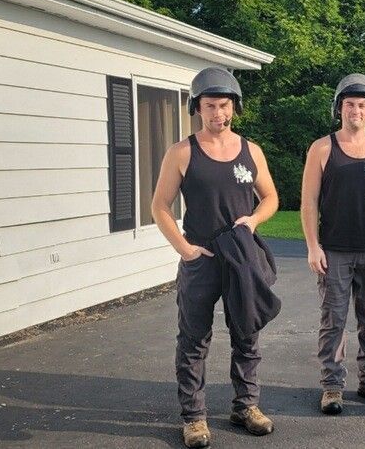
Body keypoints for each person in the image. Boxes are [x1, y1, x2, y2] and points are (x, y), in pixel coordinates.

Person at [151, 67, 280, 448]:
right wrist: (185, 249)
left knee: (247, 335)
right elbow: (159, 206)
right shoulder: (182, 152)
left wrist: (254, 219)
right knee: (193, 339)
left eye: (224, 105)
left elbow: (271, 197)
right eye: (210, 106)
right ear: (197, 108)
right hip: (202, 258)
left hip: (242, 258)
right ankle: (194, 418)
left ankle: (246, 406)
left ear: (234, 107)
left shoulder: (251, 150)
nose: (218, 113)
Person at [300, 73, 365, 415]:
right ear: (339, 109)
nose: (356, 111)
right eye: (349, 105)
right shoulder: (322, 148)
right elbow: (308, 202)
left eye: (362, 105)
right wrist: (312, 246)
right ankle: (332, 387)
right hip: (332, 250)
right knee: (333, 320)